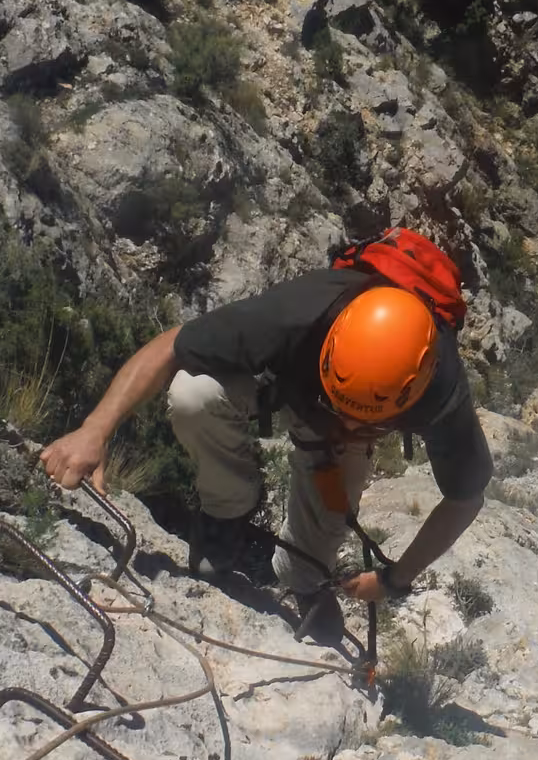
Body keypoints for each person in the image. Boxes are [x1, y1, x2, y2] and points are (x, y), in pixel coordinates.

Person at [39, 264, 493, 642]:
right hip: (291, 383)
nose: (344, 415)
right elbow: (172, 345)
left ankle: (304, 580)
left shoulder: (440, 391)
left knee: (328, 509)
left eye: (359, 414)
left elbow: (465, 497)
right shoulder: (296, 314)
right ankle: (227, 511)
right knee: (193, 395)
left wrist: (394, 581)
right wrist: (94, 430)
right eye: (341, 404)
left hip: (338, 426)